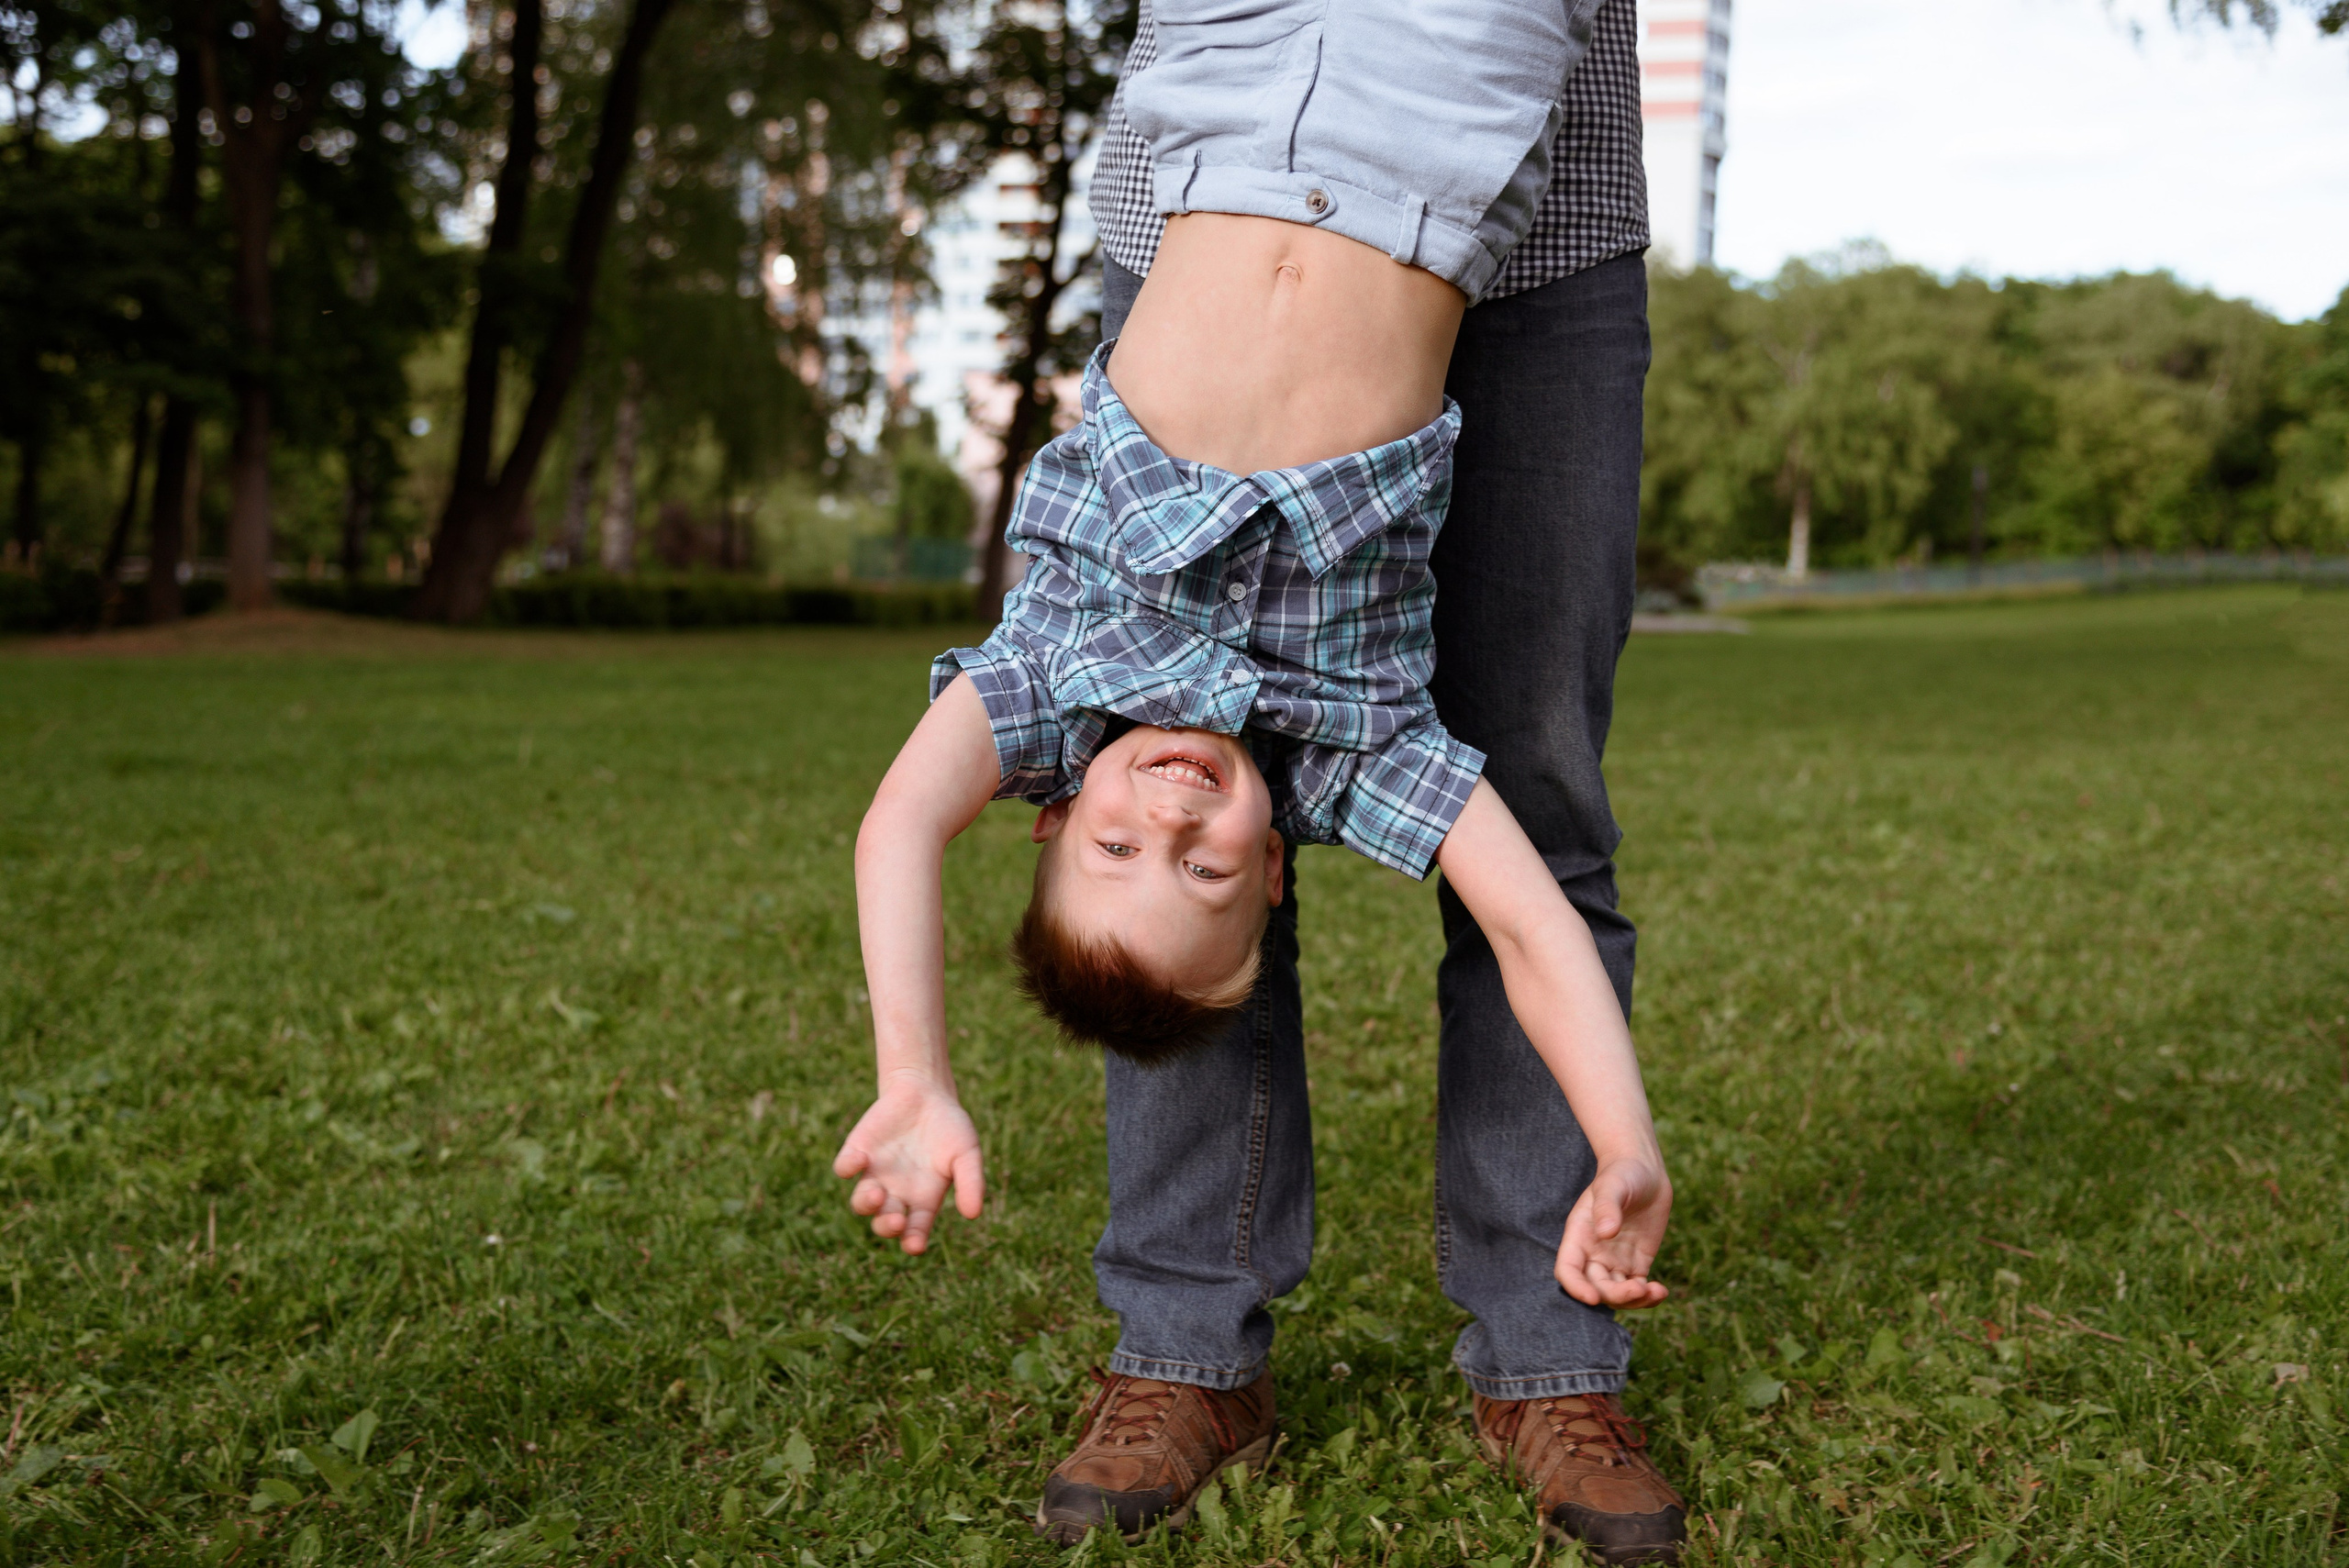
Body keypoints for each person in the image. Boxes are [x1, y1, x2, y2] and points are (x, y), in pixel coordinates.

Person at [836, 0, 1687, 1561]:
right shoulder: (1362, 739)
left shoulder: (1049, 669)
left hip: (1238, 70)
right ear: (1282, 859)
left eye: (1113, 844)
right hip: (1461, 82)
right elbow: (1529, 923)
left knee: (1531, 800)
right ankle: (1192, 1348)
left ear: (1050, 807)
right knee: (1537, 826)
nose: (1167, 815)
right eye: (1209, 866)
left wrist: (917, 1070)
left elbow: (897, 820)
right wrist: (1629, 1141)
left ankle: (1545, 1360)